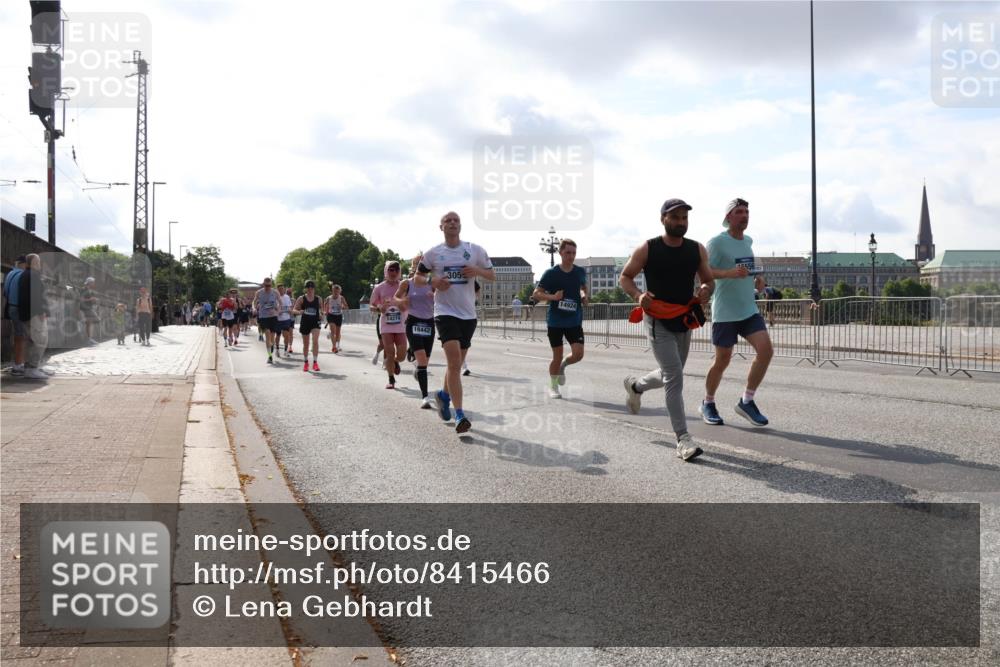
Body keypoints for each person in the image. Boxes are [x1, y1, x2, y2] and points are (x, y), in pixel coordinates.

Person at [620, 198, 714, 462]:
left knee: (671, 373)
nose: (681, 222)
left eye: (684, 218)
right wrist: (638, 296)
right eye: (675, 217)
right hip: (657, 319)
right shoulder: (648, 248)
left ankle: (636, 386)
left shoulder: (696, 249)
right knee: (674, 377)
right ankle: (683, 439)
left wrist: (706, 290)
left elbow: (708, 280)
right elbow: (625, 277)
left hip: (684, 319)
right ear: (663, 219)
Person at [415, 211, 495, 433]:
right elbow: (417, 278)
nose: (452, 223)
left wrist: (476, 270)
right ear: (441, 227)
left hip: (468, 314)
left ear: (460, 225)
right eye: (448, 221)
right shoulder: (433, 253)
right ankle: (460, 415)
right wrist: (433, 280)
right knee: (453, 363)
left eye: (456, 220)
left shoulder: (474, 250)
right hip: (445, 312)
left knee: (457, 365)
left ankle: (443, 395)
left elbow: (492, 275)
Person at [702, 197, 773, 428]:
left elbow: (747, 268)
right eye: (739, 212)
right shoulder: (717, 242)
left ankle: (747, 401)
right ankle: (708, 402)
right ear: (728, 217)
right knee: (722, 360)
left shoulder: (748, 241)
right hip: (725, 312)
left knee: (766, 351)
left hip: (748, 309)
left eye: (746, 212)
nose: (744, 216)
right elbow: (704, 271)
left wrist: (758, 277)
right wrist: (728, 273)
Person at [533, 239, 588, 399]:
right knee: (556, 356)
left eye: (574, 253)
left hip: (574, 320)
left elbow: (583, 287)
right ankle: (553, 386)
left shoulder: (579, 272)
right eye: (568, 252)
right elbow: (536, 294)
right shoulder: (551, 273)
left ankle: (564, 365)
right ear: (560, 253)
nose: (571, 256)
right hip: (556, 321)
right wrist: (553, 297)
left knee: (578, 354)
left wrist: (584, 296)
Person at [395, 254, 436, 407]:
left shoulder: (432, 283)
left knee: (424, 362)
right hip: (413, 322)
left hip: (429, 323)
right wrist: (402, 301)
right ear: (414, 267)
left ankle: (417, 365)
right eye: (418, 264)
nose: (421, 266)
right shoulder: (407, 283)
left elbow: (443, 298)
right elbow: (395, 297)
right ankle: (425, 397)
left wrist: (435, 295)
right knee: (422, 360)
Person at [370, 261, 407, 389]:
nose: (394, 272)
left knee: (402, 355)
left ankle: (395, 362)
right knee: (390, 353)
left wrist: (404, 305)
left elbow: (410, 302)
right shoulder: (379, 287)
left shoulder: (404, 286)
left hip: (400, 325)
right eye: (391, 270)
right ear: (386, 271)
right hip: (386, 326)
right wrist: (379, 307)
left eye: (396, 270)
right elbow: (371, 305)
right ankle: (391, 379)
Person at [17, 254, 49, 379]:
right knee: (40, 341)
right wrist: (40, 312)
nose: (38, 263)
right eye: (36, 261)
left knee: (31, 341)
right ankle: (32, 368)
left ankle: (29, 368)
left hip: (26, 313)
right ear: (29, 263)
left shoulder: (24, 274)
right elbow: (35, 296)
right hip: (34, 314)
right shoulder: (33, 275)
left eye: (39, 261)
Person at [3, 255, 28, 375]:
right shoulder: (22, 275)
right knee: (22, 337)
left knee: (18, 336)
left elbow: (5, 293)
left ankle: (18, 363)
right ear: (23, 264)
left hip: (11, 307)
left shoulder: (10, 274)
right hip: (19, 308)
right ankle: (18, 365)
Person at [292, 280, 324, 372]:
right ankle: (306, 362)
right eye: (308, 287)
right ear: (306, 289)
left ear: (314, 288)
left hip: (315, 322)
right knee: (306, 344)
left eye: (312, 287)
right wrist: (299, 312)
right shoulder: (301, 298)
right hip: (305, 322)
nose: (310, 289)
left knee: (315, 341)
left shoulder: (318, 299)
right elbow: (294, 310)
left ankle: (315, 362)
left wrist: (321, 314)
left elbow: (322, 310)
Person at [253, 278, 281, 364]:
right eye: (266, 285)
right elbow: (254, 301)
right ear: (263, 284)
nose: (267, 287)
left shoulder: (275, 292)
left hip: (273, 316)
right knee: (267, 334)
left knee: (272, 338)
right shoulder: (259, 292)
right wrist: (254, 308)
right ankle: (269, 356)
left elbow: (280, 302)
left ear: (271, 285)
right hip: (263, 317)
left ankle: (271, 345)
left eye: (269, 285)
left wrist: (278, 310)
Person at [325, 283, 349, 353]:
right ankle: (334, 347)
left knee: (338, 333)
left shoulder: (341, 298)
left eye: (337, 292)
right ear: (332, 291)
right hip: (331, 315)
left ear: (339, 292)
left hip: (339, 316)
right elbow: (325, 305)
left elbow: (346, 307)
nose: (336, 293)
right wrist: (325, 312)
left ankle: (337, 345)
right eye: (334, 291)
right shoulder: (328, 298)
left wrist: (342, 307)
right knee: (333, 331)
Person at [79, 277, 100, 345]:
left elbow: (89, 299)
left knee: (90, 323)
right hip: (86, 308)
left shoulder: (89, 290)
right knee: (95, 320)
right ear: (89, 283)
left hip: (89, 308)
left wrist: (94, 300)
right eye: (93, 282)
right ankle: (89, 339)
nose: (94, 284)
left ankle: (90, 339)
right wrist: (91, 299)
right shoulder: (83, 289)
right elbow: (81, 299)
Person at [277, 285, 295, 357]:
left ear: (284, 290)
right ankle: (277, 350)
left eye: (282, 289)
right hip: (278, 320)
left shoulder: (287, 297)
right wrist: (277, 311)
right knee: (278, 335)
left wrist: (290, 311)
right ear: (277, 290)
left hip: (286, 319)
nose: (281, 290)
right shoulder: (275, 297)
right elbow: (273, 308)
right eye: (279, 289)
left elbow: (290, 307)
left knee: (286, 336)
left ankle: (285, 351)